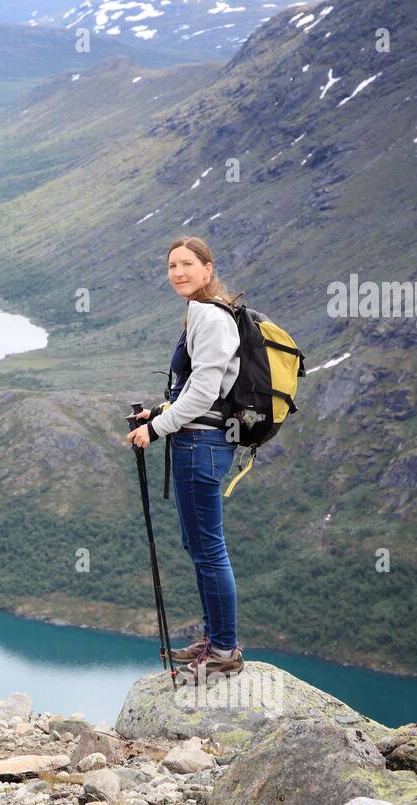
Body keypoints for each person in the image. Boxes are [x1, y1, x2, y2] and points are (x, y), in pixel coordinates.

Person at [125, 236, 245, 685]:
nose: (178, 272)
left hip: (200, 446)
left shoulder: (210, 316)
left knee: (210, 550)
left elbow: (205, 389)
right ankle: (216, 638)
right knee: (200, 547)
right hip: (198, 440)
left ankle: (223, 650)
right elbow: (195, 389)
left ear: (208, 269)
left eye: (188, 264)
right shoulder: (204, 313)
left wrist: (157, 429)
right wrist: (158, 412)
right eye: (172, 265)